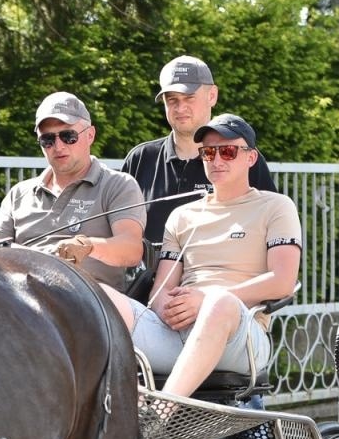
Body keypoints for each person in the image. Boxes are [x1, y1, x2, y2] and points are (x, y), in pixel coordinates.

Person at [103, 114, 301, 400]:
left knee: (220, 303)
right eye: (209, 152)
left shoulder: (276, 207)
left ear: (250, 158)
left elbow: (283, 281)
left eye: (228, 151)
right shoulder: (182, 215)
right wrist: (169, 310)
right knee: (97, 296)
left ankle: (161, 413)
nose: (217, 159)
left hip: (240, 338)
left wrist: (205, 300)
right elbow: (161, 291)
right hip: (178, 332)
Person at [121, 56, 277, 263]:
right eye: (172, 100)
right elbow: (118, 233)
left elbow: (271, 234)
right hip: (147, 291)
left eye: (189, 98)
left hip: (217, 287)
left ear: (212, 95)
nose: (179, 107)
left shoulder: (241, 157)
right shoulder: (140, 159)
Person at [0, 91, 145, 290]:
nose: (58, 146)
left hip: (91, 301)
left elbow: (131, 250)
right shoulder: (20, 194)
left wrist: (88, 246)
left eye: (68, 136)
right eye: (48, 140)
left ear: (90, 135)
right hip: (22, 298)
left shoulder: (118, 184)